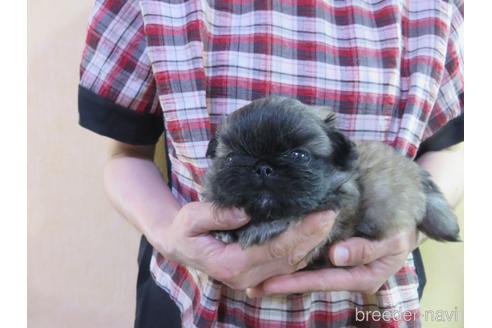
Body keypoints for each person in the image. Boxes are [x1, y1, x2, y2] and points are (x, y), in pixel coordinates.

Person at [78, 0, 464, 326]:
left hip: (371, 306)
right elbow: (126, 155)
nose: (264, 171)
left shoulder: (436, 7)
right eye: (236, 156)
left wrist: (407, 229)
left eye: (298, 156)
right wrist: (167, 231)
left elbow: (449, 154)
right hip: (193, 301)